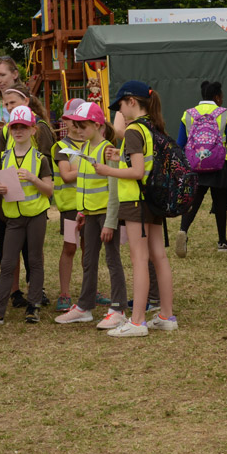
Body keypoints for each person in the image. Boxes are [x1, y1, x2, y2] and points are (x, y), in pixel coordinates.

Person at [96, 80, 178, 338]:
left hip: (135, 202)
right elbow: (144, 164)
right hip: (152, 200)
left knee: (139, 260)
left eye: (119, 105)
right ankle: (166, 316)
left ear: (132, 101)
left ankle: (138, 321)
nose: (118, 112)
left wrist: (107, 169)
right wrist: (118, 158)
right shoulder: (152, 127)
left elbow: (138, 171)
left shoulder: (133, 130)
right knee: (158, 257)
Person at [0, 105, 53, 327]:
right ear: (9, 130)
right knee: (8, 263)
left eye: (23, 127)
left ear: (33, 130)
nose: (18, 131)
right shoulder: (3, 156)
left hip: (36, 215)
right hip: (13, 218)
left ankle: (34, 305)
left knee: (34, 260)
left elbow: (49, 190)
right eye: (14, 127)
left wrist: (33, 179)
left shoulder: (40, 159)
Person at [55, 101, 128, 329]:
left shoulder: (107, 150)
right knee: (89, 260)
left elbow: (114, 189)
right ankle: (84, 307)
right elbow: (84, 183)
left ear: (97, 125)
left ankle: (118, 308)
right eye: (75, 125)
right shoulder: (84, 149)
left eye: (82, 125)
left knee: (112, 260)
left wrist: (110, 221)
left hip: (105, 215)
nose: (77, 130)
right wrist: (80, 211)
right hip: (89, 215)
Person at [176, 80, 227, 255]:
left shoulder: (188, 114)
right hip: (219, 164)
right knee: (220, 200)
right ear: (216, 97)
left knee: (195, 199)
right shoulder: (225, 114)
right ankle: (222, 242)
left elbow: (180, 142)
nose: (222, 99)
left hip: (195, 163)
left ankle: (183, 231)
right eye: (221, 96)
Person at [51, 98, 85, 311]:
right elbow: (66, 175)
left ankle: (90, 289)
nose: (77, 124)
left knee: (89, 249)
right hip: (70, 207)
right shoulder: (61, 147)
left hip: (91, 204)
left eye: (82, 120)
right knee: (70, 248)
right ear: (65, 120)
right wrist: (92, 168)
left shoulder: (93, 144)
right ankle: (64, 293)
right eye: (73, 120)